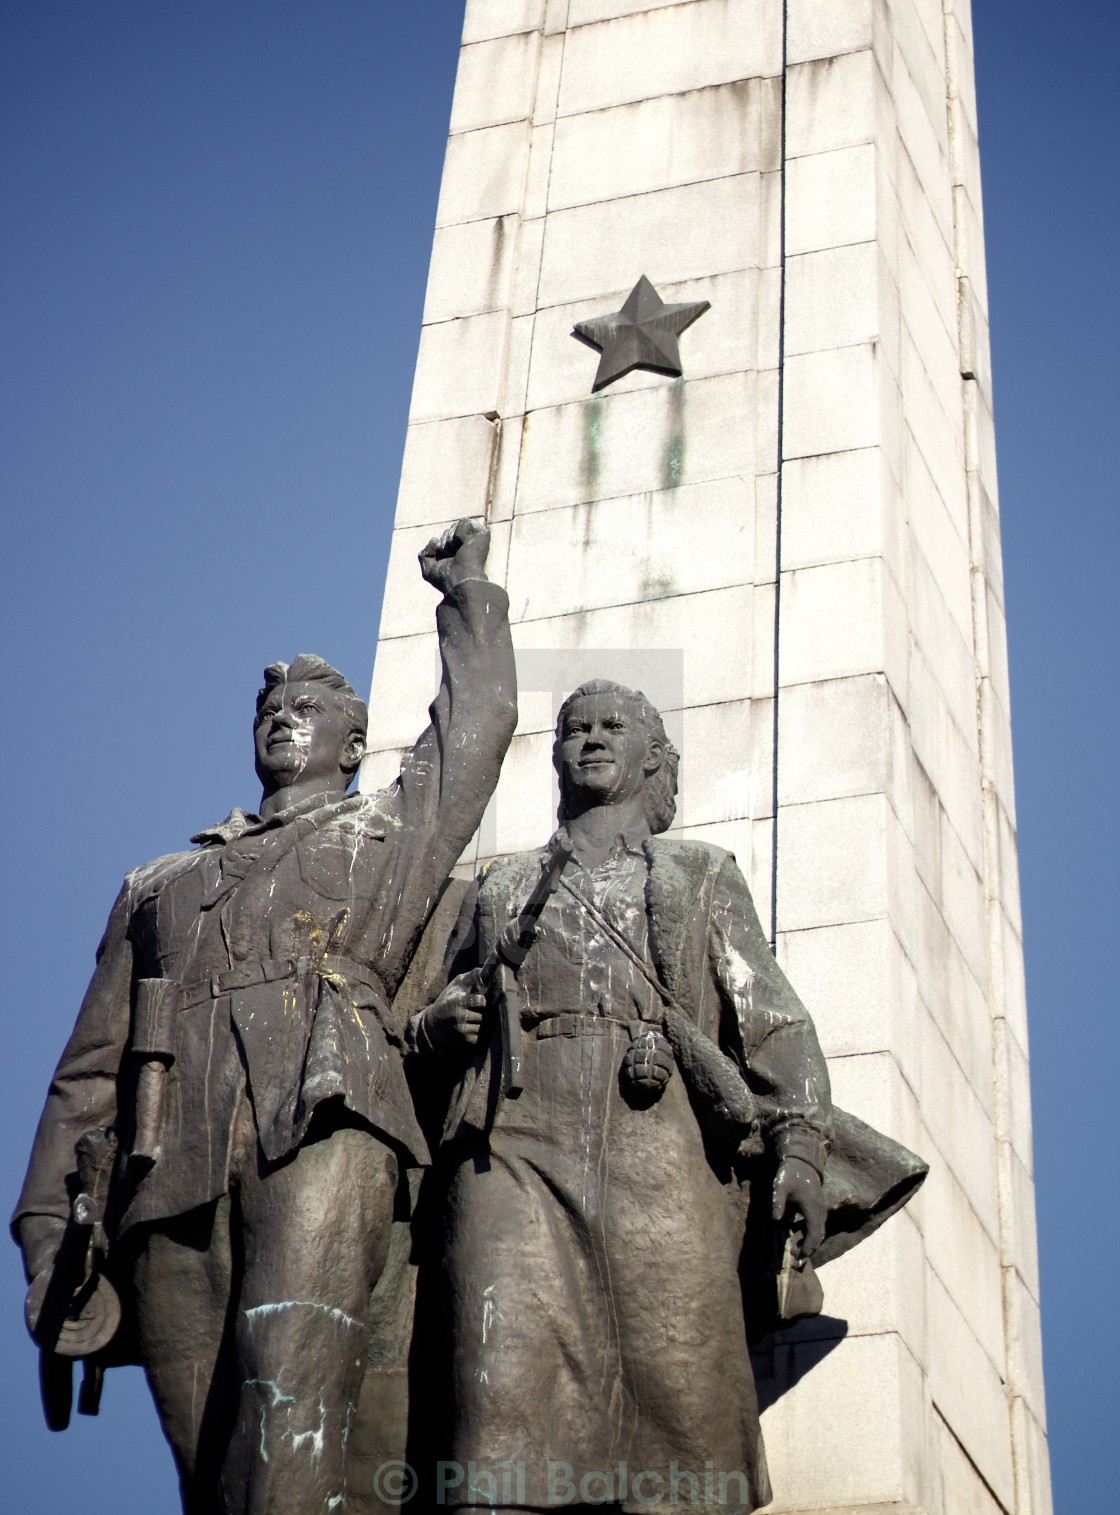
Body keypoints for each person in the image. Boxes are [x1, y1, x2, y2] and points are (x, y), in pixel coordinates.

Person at [13, 518, 516, 1515]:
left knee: (291, 1413)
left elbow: (476, 731)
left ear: (354, 742)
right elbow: (87, 1070)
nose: (284, 720)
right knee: (207, 1461)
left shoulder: (388, 833)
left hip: (326, 1123)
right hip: (170, 1169)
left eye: (310, 709)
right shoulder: (161, 884)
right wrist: (42, 1239)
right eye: (271, 711)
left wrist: (467, 600)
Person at [410, 679, 926, 1515]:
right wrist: (443, 1024)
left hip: (657, 1147)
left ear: (653, 755)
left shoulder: (698, 873)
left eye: (613, 726)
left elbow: (776, 1023)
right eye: (575, 728)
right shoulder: (499, 886)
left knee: (680, 1395)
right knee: (497, 1390)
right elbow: (419, 1026)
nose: (590, 738)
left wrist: (801, 1144)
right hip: (514, 1145)